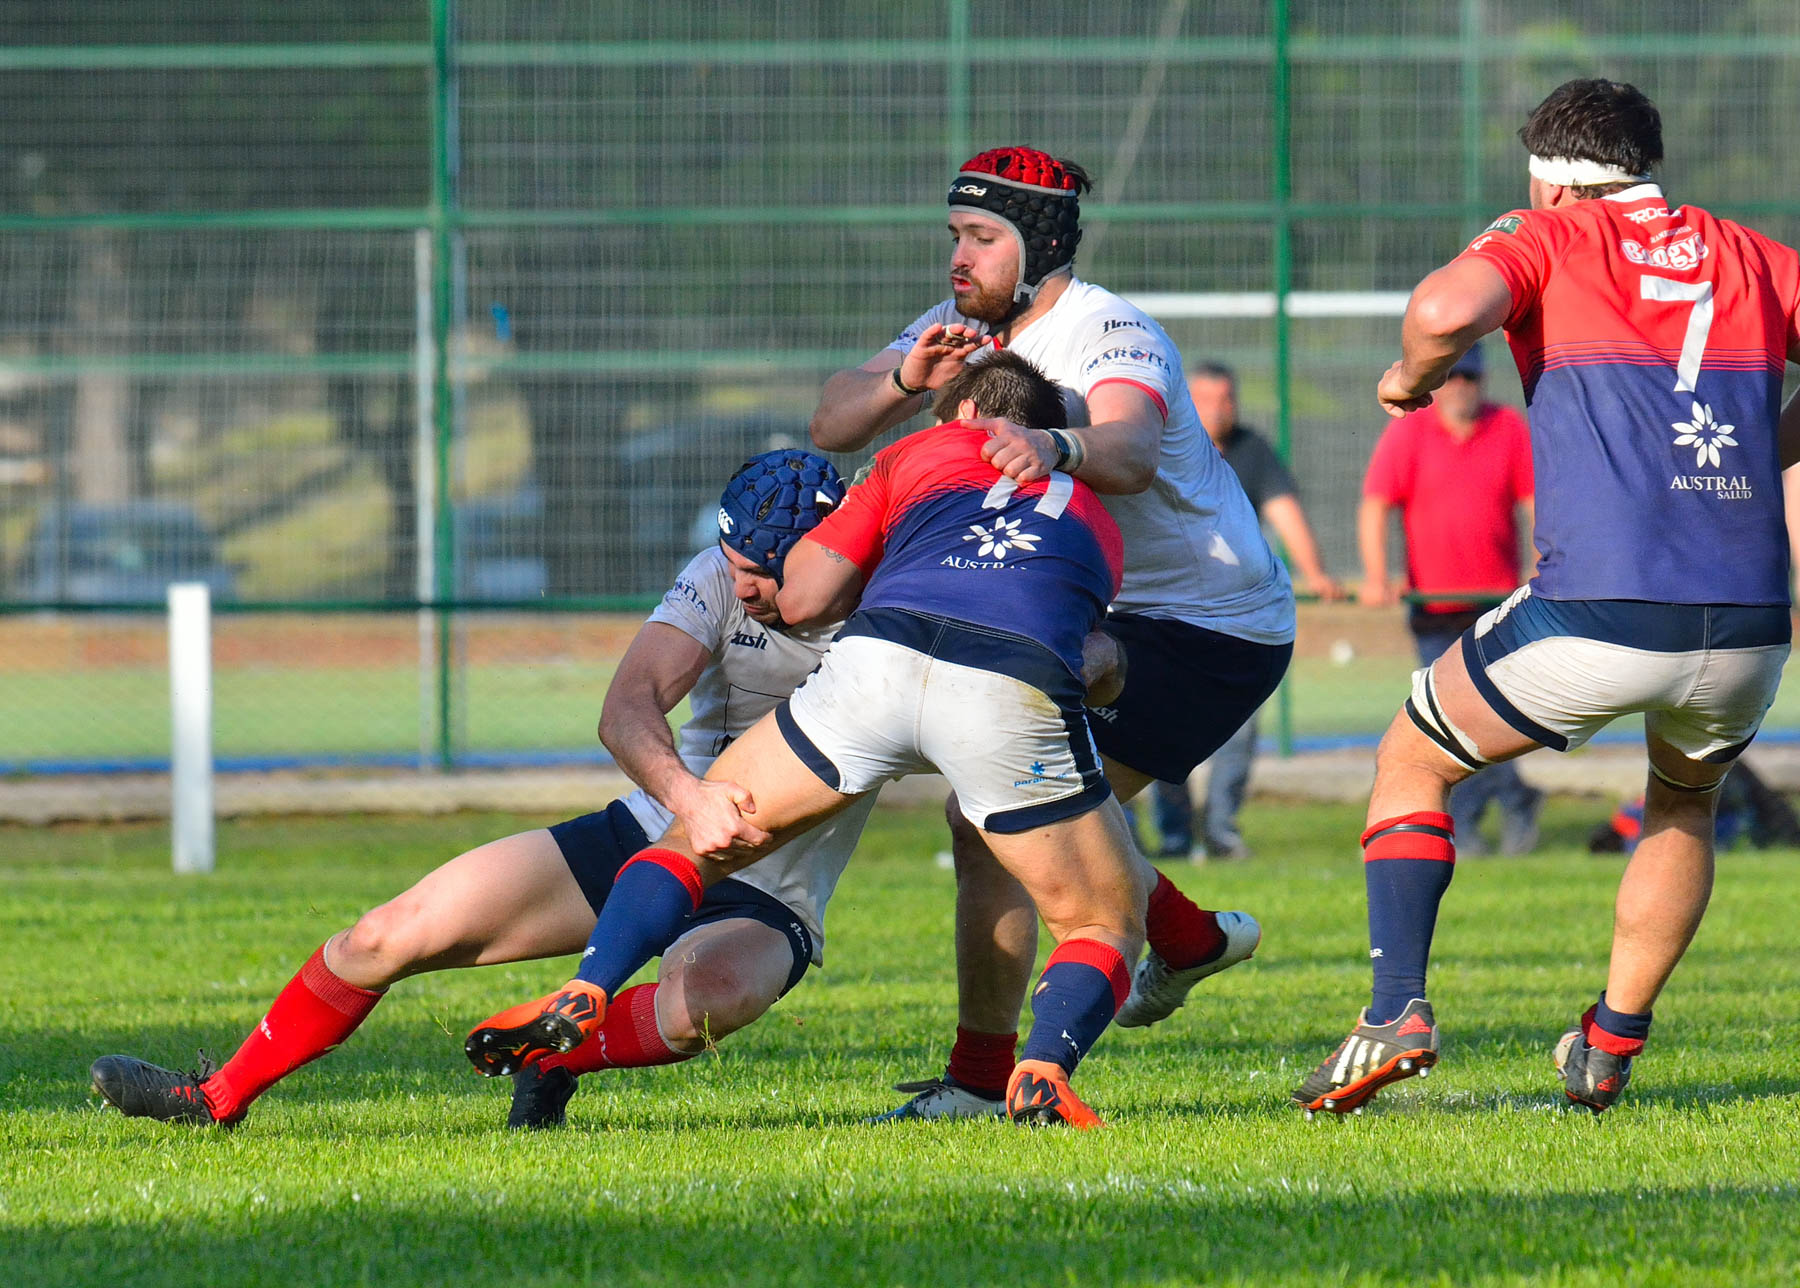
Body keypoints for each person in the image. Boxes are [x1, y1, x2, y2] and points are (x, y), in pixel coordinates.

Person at [89, 449, 879, 1131]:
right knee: (385, 935)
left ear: (818, 560)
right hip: (647, 834)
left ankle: (554, 1056)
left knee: (707, 997)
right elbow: (626, 708)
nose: (738, 588)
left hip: (770, 889)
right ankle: (216, 1095)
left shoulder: (892, 614)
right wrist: (686, 794)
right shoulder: (716, 575)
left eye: (757, 575)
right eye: (730, 565)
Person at [466, 353, 1147, 1128]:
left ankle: (593, 983)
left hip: (879, 659)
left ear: (955, 416)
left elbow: (811, 596)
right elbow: (1093, 657)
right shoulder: (1096, 514)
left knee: (694, 836)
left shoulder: (913, 453)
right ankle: (1044, 1066)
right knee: (1103, 919)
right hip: (1008, 684)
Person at [1292, 78, 1800, 1118]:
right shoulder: (1749, 252)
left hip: (1602, 608)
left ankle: (1396, 1011)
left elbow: (1442, 308)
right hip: (1751, 620)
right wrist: (1766, 446)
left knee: (1410, 756)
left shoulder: (1550, 234)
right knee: (1684, 801)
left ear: (1548, 172)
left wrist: (1415, 375)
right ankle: (1609, 1041)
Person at [809, 147, 1295, 1119]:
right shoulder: (955, 330)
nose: (961, 256)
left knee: (991, 817)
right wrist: (907, 372)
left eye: (982, 238)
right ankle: (1186, 938)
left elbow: (1127, 447)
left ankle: (987, 1080)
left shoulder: (1108, 330)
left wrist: (1051, 441)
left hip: (1208, 620)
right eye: (955, 235)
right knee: (1020, 811)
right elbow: (833, 421)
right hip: (1094, 603)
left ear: (1038, 247)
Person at [1358, 341, 1543, 856]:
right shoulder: (1410, 433)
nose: (1460, 387)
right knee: (1456, 720)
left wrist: (1539, 566)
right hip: (1435, 606)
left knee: (1487, 718)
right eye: (1451, 378)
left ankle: (1471, 821)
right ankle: (1510, 802)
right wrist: (1378, 575)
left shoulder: (1507, 428)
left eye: (1469, 378)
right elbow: (1377, 504)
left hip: (1495, 603)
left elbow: (1534, 503)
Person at [1152, 362, 1342, 860]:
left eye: (1227, 398)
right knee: (1163, 731)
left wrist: (1315, 572)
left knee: (1237, 728)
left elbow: (1285, 513)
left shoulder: (1252, 450)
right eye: (1207, 398)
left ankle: (1220, 830)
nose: (1219, 408)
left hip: (1235, 620)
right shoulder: (1158, 445)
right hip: (1166, 616)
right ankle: (1175, 833)